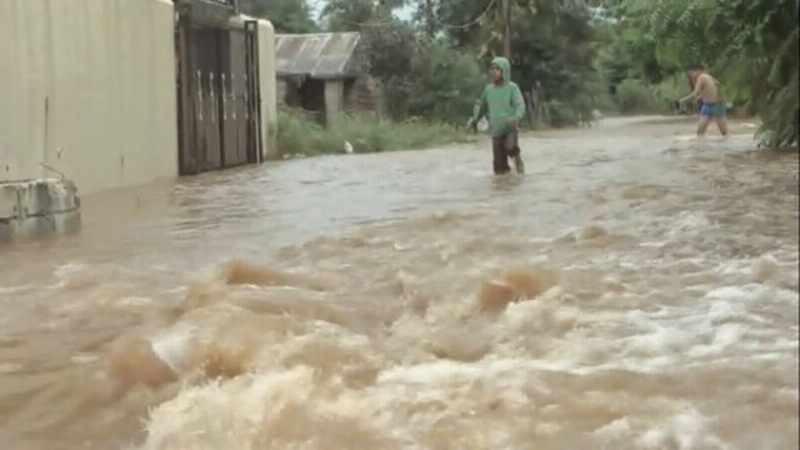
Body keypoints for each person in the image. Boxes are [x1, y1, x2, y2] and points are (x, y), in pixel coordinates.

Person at [467, 57, 526, 175]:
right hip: (495, 131)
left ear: (504, 70)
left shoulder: (512, 87)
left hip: (510, 128)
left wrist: (516, 117)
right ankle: (506, 184)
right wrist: (474, 120)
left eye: (497, 69)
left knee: (510, 147)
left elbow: (520, 105)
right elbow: (481, 107)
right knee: (499, 170)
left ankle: (518, 161)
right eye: (492, 69)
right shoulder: (488, 89)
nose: (493, 71)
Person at [679, 64, 728, 137]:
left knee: (702, 133)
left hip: (717, 106)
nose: (691, 75)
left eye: (692, 73)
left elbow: (695, 93)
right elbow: (716, 85)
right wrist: (701, 96)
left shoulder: (701, 77)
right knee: (722, 134)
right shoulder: (709, 77)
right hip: (709, 105)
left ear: (698, 71)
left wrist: (682, 100)